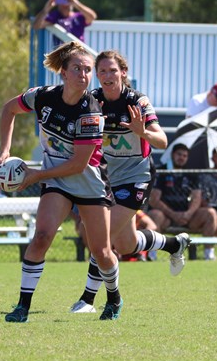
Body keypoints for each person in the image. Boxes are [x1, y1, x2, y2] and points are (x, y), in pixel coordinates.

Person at [0, 41, 122, 322]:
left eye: (88, 70)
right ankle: (22, 307)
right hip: (57, 182)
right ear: (63, 73)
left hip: (89, 183)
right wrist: (5, 150)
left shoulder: (91, 110)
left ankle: (113, 297)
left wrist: (35, 175)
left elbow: (78, 164)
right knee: (41, 237)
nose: (83, 74)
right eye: (77, 68)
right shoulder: (42, 96)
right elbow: (8, 110)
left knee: (101, 252)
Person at [69, 50, 189, 314]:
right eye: (102, 72)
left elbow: (162, 141)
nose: (107, 76)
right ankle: (174, 244)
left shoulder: (137, 101)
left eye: (113, 70)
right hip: (110, 179)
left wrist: (141, 131)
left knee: (103, 236)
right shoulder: (93, 100)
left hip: (138, 177)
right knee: (125, 244)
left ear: (123, 72)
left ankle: (88, 299)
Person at [147, 144, 217, 261]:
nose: (182, 158)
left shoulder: (191, 173)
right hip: (166, 216)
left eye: (185, 156)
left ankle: (208, 254)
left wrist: (188, 213)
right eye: (179, 154)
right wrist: (173, 214)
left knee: (210, 213)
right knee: (155, 215)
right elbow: (154, 199)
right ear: (172, 155)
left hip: (187, 216)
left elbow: (197, 197)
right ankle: (152, 256)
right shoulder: (162, 171)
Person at [32, 0, 97, 43]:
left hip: (79, 51)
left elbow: (92, 17)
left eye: (67, 0)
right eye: (61, 0)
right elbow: (36, 26)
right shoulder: (55, 16)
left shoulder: (79, 16)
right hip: (61, 54)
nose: (64, 4)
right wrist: (46, 9)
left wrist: (76, 3)